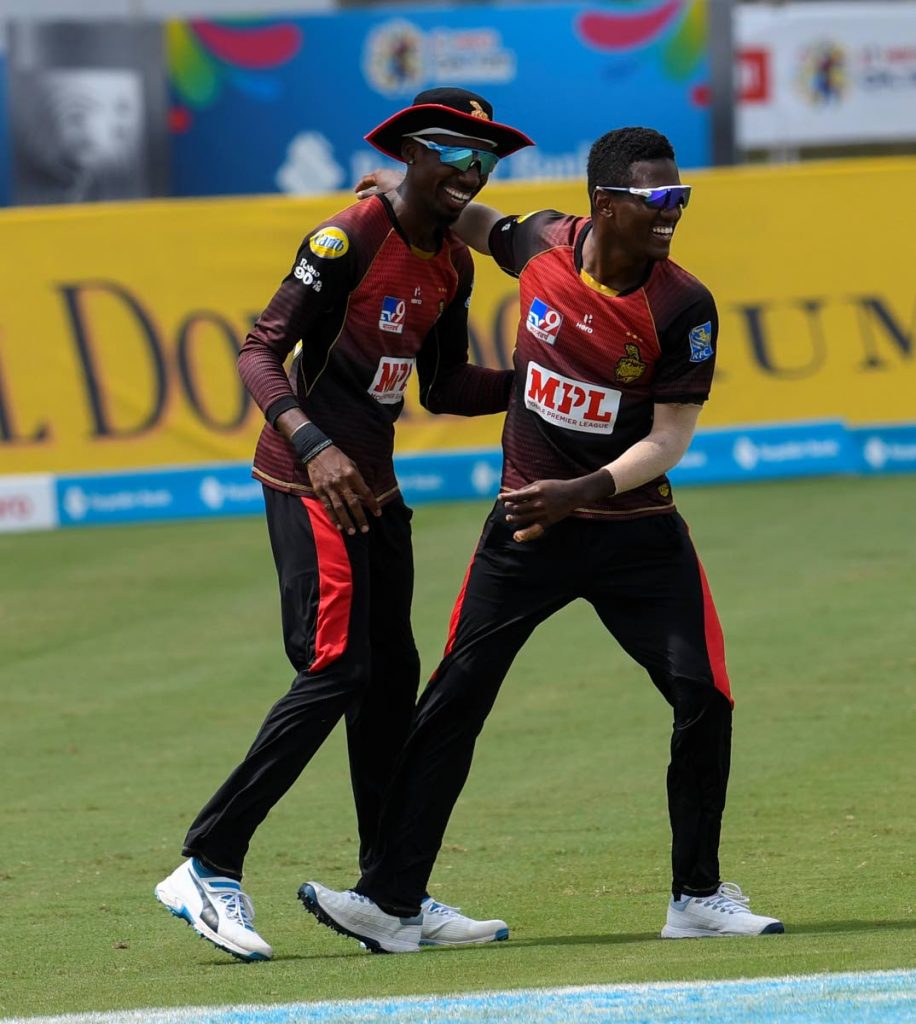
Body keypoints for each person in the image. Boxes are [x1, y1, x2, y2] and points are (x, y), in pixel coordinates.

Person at [300, 127, 784, 952]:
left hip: (635, 532)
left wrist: (583, 491)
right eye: (657, 200)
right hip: (525, 528)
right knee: (454, 699)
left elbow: (668, 440)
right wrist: (396, 190)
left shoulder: (682, 305)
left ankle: (696, 898)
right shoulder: (544, 245)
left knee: (703, 696)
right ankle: (390, 902)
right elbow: (474, 220)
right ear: (606, 205)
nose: (672, 214)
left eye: (681, 199)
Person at [154, 88, 533, 961]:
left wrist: (536, 378)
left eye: (488, 161)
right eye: (455, 151)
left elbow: (440, 387)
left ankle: (388, 897)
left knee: (391, 684)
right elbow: (259, 349)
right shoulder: (350, 236)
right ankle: (208, 864)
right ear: (411, 151)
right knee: (337, 669)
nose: (472, 172)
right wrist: (316, 447)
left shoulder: (452, 264)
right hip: (310, 483)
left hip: (378, 492)